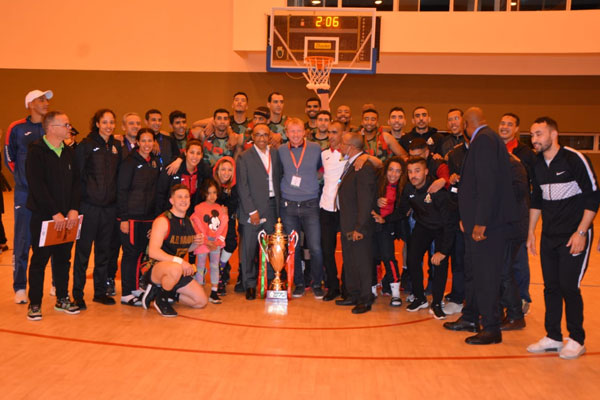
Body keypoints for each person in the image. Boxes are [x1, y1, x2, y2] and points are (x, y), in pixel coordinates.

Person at [526, 117, 599, 360]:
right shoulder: (537, 164)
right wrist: (531, 233)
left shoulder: (574, 159)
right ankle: (553, 337)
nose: (534, 139)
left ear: (553, 134)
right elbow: (537, 200)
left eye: (539, 134)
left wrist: (581, 232)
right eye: (532, 135)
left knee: (569, 286)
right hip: (549, 236)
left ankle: (577, 339)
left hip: (574, 235)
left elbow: (593, 197)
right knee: (551, 287)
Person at [444, 107, 517, 345]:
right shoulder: (488, 139)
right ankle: (471, 317)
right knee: (474, 272)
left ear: (467, 124)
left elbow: (487, 184)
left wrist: (480, 222)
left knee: (486, 276)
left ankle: (491, 327)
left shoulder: (484, 140)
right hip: (478, 222)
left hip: (487, 226)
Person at [25, 110, 81, 321]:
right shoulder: (36, 151)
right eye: (65, 125)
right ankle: (35, 303)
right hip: (44, 217)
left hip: (67, 218)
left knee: (63, 259)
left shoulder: (69, 152)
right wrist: (53, 213)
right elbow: (37, 185)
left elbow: (77, 183)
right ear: (51, 128)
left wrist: (73, 208)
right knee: (39, 261)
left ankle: (62, 298)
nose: (69, 128)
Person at [5, 89, 55, 304]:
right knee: (23, 241)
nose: (46, 103)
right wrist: (25, 179)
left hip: (50, 196)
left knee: (51, 240)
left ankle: (56, 283)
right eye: (41, 100)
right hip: (25, 195)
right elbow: (10, 159)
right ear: (30, 103)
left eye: (46, 100)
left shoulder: (52, 126)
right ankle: (19, 287)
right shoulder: (16, 128)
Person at [72, 109, 122, 310]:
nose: (109, 126)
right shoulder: (86, 145)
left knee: (104, 253)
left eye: (112, 122)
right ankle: (77, 294)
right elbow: (77, 177)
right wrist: (76, 206)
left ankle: (100, 292)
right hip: (89, 207)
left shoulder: (116, 146)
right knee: (83, 253)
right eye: (105, 122)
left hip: (109, 209)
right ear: (97, 124)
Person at [141, 184, 208, 317]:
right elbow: (153, 252)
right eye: (179, 197)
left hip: (175, 270)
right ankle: (161, 300)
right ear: (172, 200)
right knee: (175, 268)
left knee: (201, 301)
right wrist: (180, 262)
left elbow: (184, 248)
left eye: (186, 197)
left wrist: (195, 244)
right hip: (153, 268)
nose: (184, 200)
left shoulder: (189, 222)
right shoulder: (163, 220)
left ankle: (162, 292)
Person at [400, 158, 455, 319]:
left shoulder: (438, 191)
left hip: (442, 228)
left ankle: (437, 302)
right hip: (423, 226)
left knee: (439, 263)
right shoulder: (408, 188)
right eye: (410, 171)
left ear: (425, 172)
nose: (413, 175)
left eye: (417, 171)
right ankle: (420, 298)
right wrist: (383, 217)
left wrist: (443, 251)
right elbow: (402, 209)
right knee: (412, 259)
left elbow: (449, 224)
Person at [279, 117, 324, 299]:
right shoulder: (281, 150)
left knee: (315, 247)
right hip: (288, 205)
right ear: (286, 133)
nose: (296, 134)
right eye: (292, 131)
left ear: (304, 132)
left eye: (299, 131)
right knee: (293, 248)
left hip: (310, 203)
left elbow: (322, 169)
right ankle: (298, 283)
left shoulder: (315, 148)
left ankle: (317, 283)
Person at [236, 124, 282, 300]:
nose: (262, 138)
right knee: (249, 249)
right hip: (252, 208)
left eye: (265, 135)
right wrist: (251, 210)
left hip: (272, 207)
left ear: (269, 137)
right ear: (252, 137)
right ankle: (249, 284)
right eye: (258, 135)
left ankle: (271, 280)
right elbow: (242, 186)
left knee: (271, 247)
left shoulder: (275, 154)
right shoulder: (244, 157)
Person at [117, 128, 161, 306]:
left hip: (147, 217)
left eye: (150, 141)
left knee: (142, 253)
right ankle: (126, 293)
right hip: (131, 217)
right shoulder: (129, 162)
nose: (147, 144)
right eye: (143, 141)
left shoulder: (154, 162)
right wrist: (124, 218)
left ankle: (136, 288)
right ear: (137, 142)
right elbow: (121, 190)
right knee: (131, 254)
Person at [499, 112, 536, 314]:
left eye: (509, 124)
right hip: (499, 215)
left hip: (519, 214)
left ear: (516, 129)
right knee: (502, 260)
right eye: (502, 123)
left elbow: (533, 183)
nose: (504, 127)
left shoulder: (526, 153)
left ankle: (522, 298)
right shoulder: (494, 149)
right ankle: (504, 298)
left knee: (518, 258)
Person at [335, 131, 377, 314]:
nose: (340, 146)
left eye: (343, 143)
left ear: (351, 147)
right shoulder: (352, 164)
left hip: (358, 225)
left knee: (362, 262)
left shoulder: (363, 167)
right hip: (347, 222)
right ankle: (353, 294)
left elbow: (365, 200)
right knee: (350, 260)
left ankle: (365, 298)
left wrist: (360, 227)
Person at [371, 157, 408, 307]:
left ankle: (395, 293)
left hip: (388, 226)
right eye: (391, 170)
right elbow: (367, 199)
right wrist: (376, 202)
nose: (393, 174)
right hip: (372, 225)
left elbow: (402, 211)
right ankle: (372, 289)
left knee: (388, 257)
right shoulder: (377, 182)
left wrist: (385, 220)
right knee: (372, 257)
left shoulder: (403, 188)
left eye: (398, 171)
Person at [191, 178, 228, 304]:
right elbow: (196, 225)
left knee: (214, 265)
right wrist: (205, 241)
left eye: (214, 193)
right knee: (200, 265)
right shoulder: (199, 208)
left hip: (215, 243)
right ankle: (199, 289)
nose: (212, 196)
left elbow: (224, 225)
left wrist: (217, 242)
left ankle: (214, 291)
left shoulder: (220, 209)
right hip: (203, 242)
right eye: (209, 193)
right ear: (204, 193)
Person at [155, 139, 211, 215]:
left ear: (201, 156)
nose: (195, 156)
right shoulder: (172, 168)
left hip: (193, 215)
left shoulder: (204, 171)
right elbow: (160, 194)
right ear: (185, 153)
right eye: (192, 152)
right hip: (171, 214)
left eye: (198, 153)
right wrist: (160, 215)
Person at [212, 156, 238, 296]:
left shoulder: (234, 187)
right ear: (217, 170)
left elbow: (234, 204)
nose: (226, 173)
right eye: (223, 169)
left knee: (231, 243)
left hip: (228, 221)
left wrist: (227, 209)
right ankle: (219, 279)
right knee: (216, 247)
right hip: (212, 222)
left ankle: (221, 268)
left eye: (229, 170)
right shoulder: (211, 185)